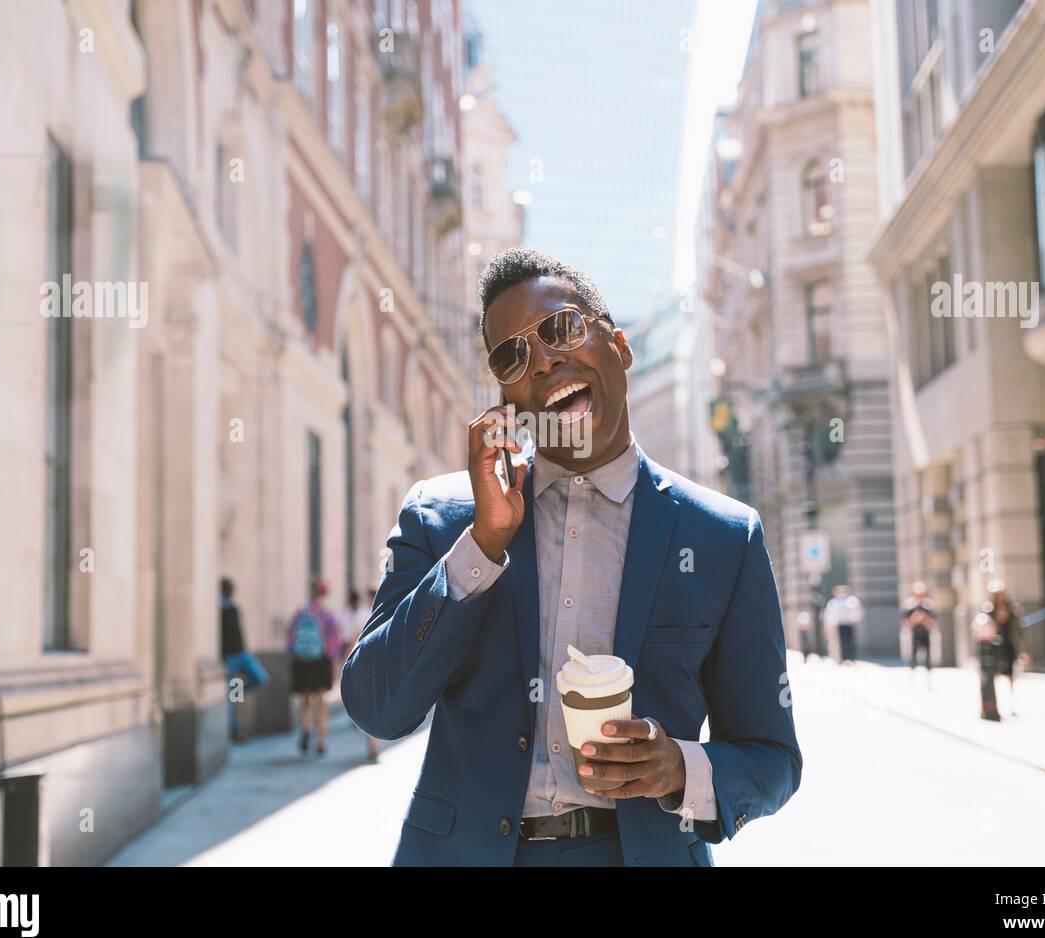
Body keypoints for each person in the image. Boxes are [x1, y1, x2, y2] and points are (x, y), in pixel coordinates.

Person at [342, 248, 803, 866]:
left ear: (620, 346)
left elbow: (772, 757)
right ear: (505, 397)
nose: (544, 360)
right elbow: (377, 708)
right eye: (513, 356)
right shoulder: (440, 516)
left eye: (562, 328)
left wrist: (679, 769)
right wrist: (481, 545)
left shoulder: (724, 536)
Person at [287, 579, 342, 756]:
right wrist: (334, 660)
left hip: (302, 660)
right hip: (321, 661)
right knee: (321, 701)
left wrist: (292, 655)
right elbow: (335, 640)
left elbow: (290, 636)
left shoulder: (300, 612)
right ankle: (320, 741)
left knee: (305, 698)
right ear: (325, 594)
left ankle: (305, 728)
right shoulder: (327, 614)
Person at [221, 577, 269, 743]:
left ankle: (233, 693)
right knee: (232, 698)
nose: (230, 591)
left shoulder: (234, 608)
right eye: (227, 588)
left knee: (260, 677)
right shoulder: (218, 610)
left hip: (242, 653)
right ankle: (235, 731)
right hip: (229, 657)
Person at [340, 589, 381, 761]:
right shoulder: (386, 609)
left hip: (364, 660)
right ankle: (374, 745)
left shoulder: (362, 613)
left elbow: (354, 637)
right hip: (380, 661)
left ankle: (372, 744)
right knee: (377, 702)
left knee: (368, 702)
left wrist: (346, 659)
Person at [989, 582, 1029, 716]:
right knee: (995, 675)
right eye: (998, 595)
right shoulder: (990, 610)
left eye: (1002, 594)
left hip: (1009, 644)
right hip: (995, 646)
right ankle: (995, 704)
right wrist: (998, 620)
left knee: (1011, 675)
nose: (1001, 597)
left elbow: (1019, 630)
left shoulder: (1012, 609)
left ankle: (1011, 703)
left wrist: (1024, 649)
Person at [900, 582, 937, 671]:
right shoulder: (909, 606)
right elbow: (904, 623)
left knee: (928, 658)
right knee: (912, 656)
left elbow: (934, 623)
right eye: (917, 595)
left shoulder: (929, 606)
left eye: (922, 595)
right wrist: (914, 620)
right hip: (913, 635)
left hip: (926, 634)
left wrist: (924, 619)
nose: (920, 598)